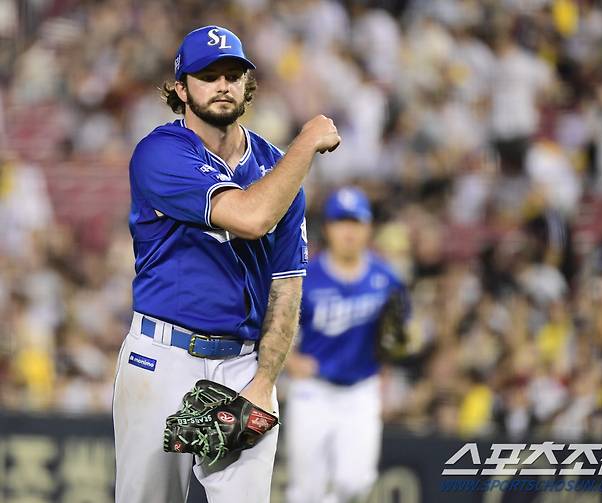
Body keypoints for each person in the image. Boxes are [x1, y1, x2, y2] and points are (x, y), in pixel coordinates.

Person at [112, 25, 340, 503]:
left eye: (233, 74)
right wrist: (307, 142)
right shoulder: (160, 153)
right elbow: (251, 217)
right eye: (207, 74)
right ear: (181, 88)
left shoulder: (278, 169)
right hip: (162, 359)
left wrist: (264, 382)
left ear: (247, 85)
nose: (223, 84)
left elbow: (287, 284)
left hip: (241, 365)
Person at [285, 187, 410, 503]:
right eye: (341, 222)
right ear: (327, 228)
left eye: (356, 222)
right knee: (306, 490)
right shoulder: (307, 276)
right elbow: (274, 326)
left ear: (368, 228)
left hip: (360, 390)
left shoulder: (386, 278)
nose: (349, 231)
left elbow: (399, 335)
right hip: (314, 389)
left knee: (355, 484)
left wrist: (395, 350)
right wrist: (290, 361)